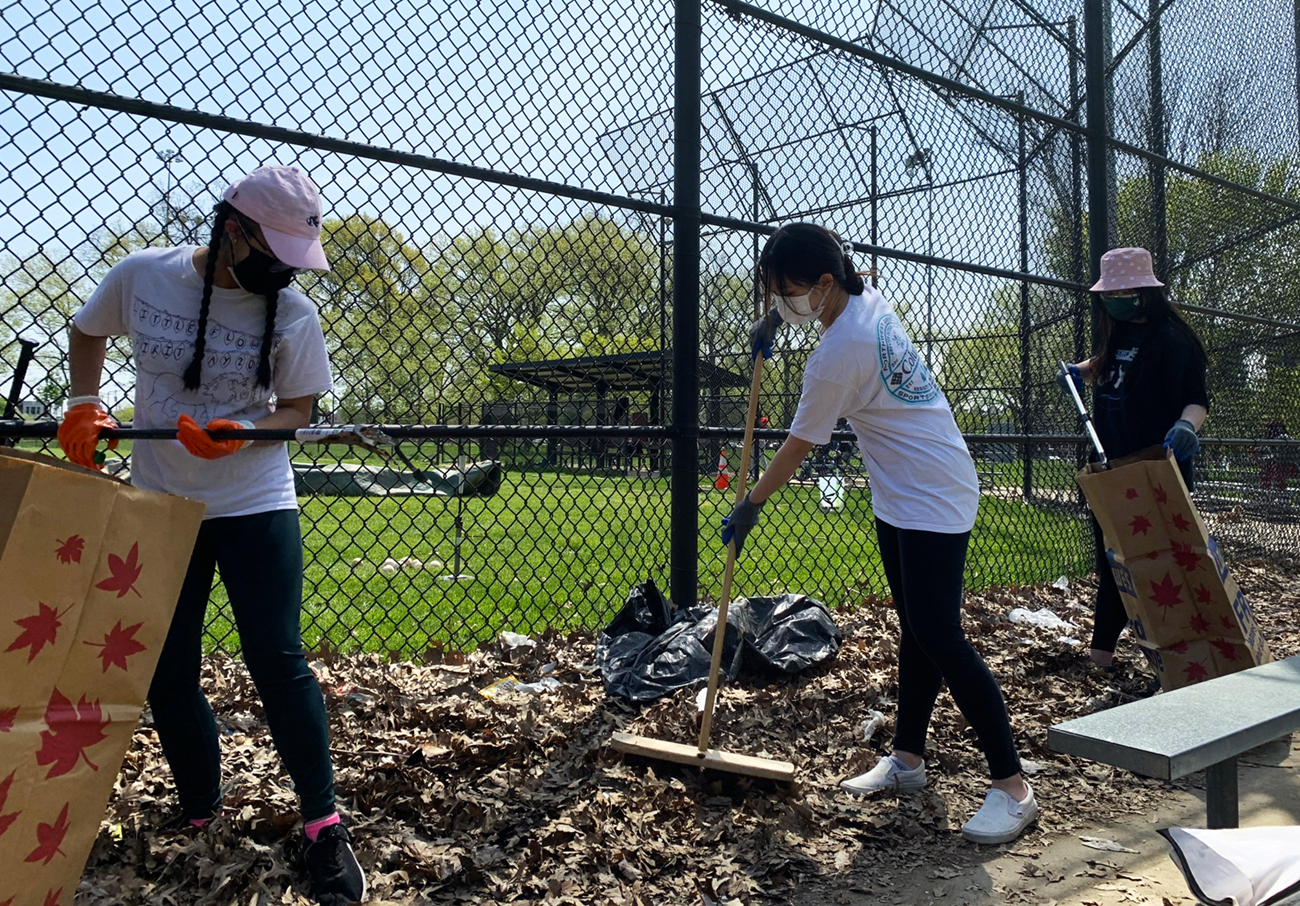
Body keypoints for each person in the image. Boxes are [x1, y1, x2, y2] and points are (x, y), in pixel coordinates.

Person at [58, 166, 366, 904]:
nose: (283, 270)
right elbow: (86, 329)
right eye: (274, 252)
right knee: (168, 666)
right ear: (232, 230)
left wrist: (247, 431)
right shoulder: (143, 276)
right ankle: (199, 806)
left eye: (295, 258)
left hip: (255, 498)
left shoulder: (291, 314)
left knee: (277, 655)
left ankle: (322, 824)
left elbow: (297, 408)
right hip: (160, 499)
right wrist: (83, 401)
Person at [726, 222, 1036, 845]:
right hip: (902, 491)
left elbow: (800, 445)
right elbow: (820, 323)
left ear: (822, 283)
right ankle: (908, 762)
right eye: (771, 294)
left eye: (784, 293)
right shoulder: (864, 301)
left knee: (941, 637)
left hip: (931, 493)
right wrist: (773, 326)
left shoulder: (840, 352)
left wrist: (752, 500)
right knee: (917, 630)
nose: (779, 304)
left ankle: (1013, 786)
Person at [1059, 246, 1209, 670]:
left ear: (1144, 293)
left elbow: (1195, 399)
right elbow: (1103, 364)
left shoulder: (1173, 340)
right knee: (1113, 560)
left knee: (1154, 563)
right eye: (1108, 294)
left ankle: (1176, 652)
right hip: (1109, 468)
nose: (1112, 301)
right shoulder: (1120, 335)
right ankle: (1102, 655)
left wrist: (1186, 426)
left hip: (1155, 470)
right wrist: (1078, 371)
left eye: (1120, 293)